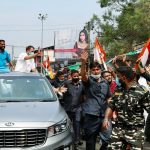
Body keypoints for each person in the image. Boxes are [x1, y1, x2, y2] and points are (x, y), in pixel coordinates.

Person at [102, 66, 150, 149]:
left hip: (135, 131)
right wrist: (106, 118)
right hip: (118, 129)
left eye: (118, 76)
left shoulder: (142, 91)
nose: (116, 78)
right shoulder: (118, 89)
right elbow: (111, 105)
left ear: (123, 77)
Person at [80, 50, 111, 150]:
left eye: (97, 69)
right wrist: (83, 62)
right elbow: (83, 75)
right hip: (91, 116)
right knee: (91, 141)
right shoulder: (88, 81)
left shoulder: (105, 83)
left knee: (108, 139)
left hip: (104, 116)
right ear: (91, 71)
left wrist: (111, 110)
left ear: (101, 70)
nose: (96, 71)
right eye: (93, 70)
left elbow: (109, 97)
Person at [63, 69, 85, 149]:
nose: (76, 77)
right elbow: (61, 91)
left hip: (78, 108)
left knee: (77, 124)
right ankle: (66, 140)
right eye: (74, 76)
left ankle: (77, 139)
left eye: (77, 76)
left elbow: (84, 95)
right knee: (68, 125)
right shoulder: (67, 83)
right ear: (71, 76)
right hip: (68, 108)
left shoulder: (82, 85)